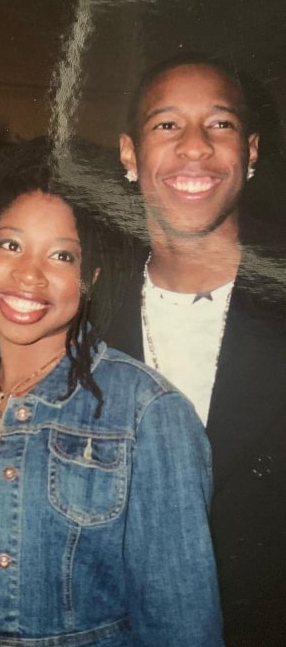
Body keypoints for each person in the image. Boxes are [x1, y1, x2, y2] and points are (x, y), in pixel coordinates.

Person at [0, 138, 223, 646]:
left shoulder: (147, 413)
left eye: (61, 256)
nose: (28, 274)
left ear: (92, 275)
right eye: (9, 244)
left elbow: (183, 628)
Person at [106, 53, 286, 646]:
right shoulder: (85, 317)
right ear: (130, 155)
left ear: (251, 151)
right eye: (166, 125)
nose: (195, 146)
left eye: (220, 124)